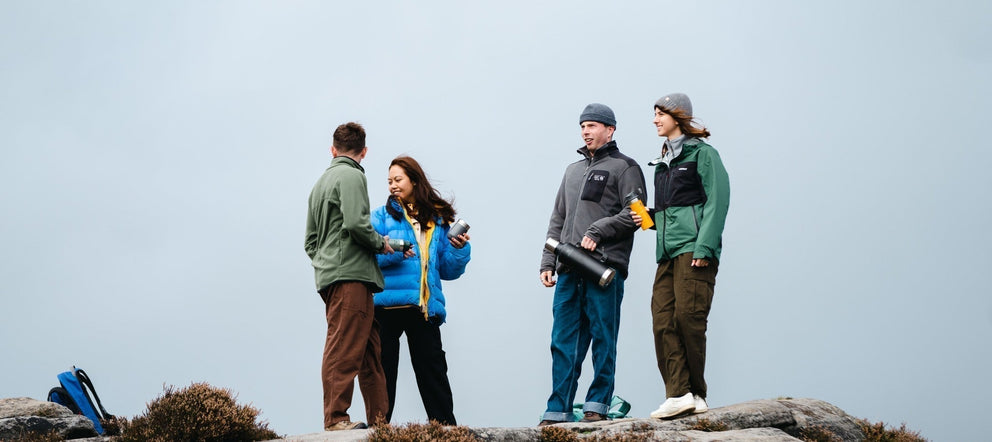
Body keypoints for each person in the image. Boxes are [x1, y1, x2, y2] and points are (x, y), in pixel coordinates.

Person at [538, 103, 647, 426]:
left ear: (610, 130)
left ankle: (597, 404)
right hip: (569, 268)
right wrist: (548, 260)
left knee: (602, 337)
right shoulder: (572, 170)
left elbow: (640, 215)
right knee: (563, 341)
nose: (586, 131)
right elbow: (558, 217)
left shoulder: (625, 167)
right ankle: (557, 409)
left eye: (593, 125)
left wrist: (599, 231)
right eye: (583, 126)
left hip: (604, 269)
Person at [633, 93, 730, 419]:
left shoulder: (704, 155)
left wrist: (704, 247)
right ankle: (680, 394)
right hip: (667, 252)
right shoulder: (662, 162)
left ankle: (696, 393)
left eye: (661, 113)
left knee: (688, 320)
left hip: (694, 250)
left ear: (679, 116)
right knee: (662, 321)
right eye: (655, 114)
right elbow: (672, 211)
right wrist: (648, 218)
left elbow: (717, 201)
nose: (655, 119)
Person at [370, 156, 471, 425]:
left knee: (433, 370)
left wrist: (460, 249)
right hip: (386, 306)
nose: (392, 185)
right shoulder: (379, 216)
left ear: (414, 181)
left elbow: (447, 270)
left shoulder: (437, 220)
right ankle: (379, 429)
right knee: (383, 371)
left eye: (398, 179)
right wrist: (399, 250)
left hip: (424, 306)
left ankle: (445, 429)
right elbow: (369, 258)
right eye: (389, 181)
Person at [304, 122, 392, 431]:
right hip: (351, 277)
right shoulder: (352, 176)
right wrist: (381, 243)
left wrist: (327, 263)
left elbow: (310, 242)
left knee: (369, 352)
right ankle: (336, 419)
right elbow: (356, 223)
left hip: (336, 276)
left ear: (333, 149)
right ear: (364, 151)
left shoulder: (320, 184)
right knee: (344, 348)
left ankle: (380, 424)